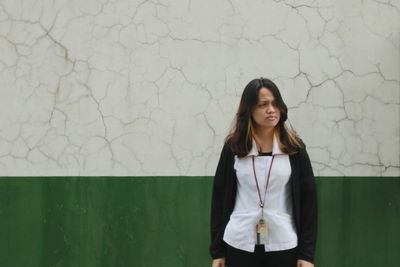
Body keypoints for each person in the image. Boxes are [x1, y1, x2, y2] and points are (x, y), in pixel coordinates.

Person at [209, 78, 317, 267]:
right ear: (249, 109)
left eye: (275, 104)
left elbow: (309, 202)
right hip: (239, 243)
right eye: (263, 105)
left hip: (283, 244)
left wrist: (307, 255)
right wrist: (218, 251)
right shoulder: (233, 148)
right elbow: (219, 199)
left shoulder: (294, 149)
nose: (271, 110)